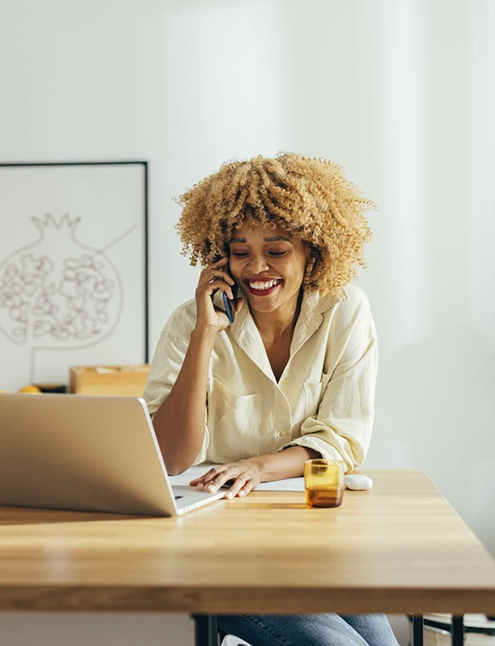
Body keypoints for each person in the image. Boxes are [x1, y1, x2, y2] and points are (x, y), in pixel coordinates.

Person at [143, 153, 394, 646]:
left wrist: (260, 467)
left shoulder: (346, 313)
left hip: (309, 538)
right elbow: (170, 457)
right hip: (214, 548)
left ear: (312, 254)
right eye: (240, 252)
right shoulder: (188, 326)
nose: (256, 268)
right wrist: (205, 335)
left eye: (277, 251)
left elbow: (340, 441)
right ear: (221, 257)